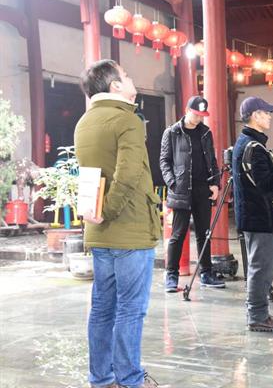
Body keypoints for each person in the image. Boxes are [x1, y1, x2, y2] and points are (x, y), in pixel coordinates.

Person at [75, 59, 161, 388]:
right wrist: (109, 210)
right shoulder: (127, 119)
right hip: (129, 229)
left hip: (99, 230)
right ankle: (129, 378)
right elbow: (129, 174)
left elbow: (91, 175)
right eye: (125, 75)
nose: (130, 79)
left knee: (102, 308)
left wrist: (100, 214)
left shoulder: (84, 122)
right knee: (130, 309)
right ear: (114, 86)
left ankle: (101, 378)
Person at [232, 96, 273, 332]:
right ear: (255, 115)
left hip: (255, 215)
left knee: (262, 267)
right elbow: (264, 183)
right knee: (261, 268)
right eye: (266, 113)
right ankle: (256, 316)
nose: (269, 117)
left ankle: (260, 312)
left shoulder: (247, 143)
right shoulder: (253, 148)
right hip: (259, 216)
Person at [160, 96, 224, 292]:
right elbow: (164, 162)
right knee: (178, 234)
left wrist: (215, 183)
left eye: (201, 115)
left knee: (204, 234)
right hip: (181, 190)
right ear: (187, 110)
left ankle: (206, 273)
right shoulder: (172, 132)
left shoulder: (205, 132)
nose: (199, 119)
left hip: (203, 189)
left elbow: (212, 160)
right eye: (196, 114)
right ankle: (171, 275)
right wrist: (173, 183)